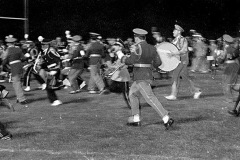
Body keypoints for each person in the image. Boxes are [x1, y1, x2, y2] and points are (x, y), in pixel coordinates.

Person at [120, 28, 174, 130]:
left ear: (137, 38)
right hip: (147, 75)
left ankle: (166, 118)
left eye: (135, 37)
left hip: (140, 76)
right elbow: (158, 63)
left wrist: (122, 57)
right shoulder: (152, 48)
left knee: (150, 98)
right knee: (133, 94)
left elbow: (130, 61)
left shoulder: (137, 48)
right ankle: (136, 118)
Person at [165, 25, 202, 100]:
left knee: (175, 76)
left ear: (178, 31)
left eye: (174, 30)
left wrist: (173, 54)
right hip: (177, 61)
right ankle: (196, 91)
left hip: (183, 60)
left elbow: (184, 50)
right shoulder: (174, 40)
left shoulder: (182, 39)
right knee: (184, 77)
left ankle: (173, 95)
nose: (173, 32)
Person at [2, 37, 28, 105]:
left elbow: (5, 61)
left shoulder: (8, 50)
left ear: (8, 43)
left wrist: (2, 64)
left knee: (16, 83)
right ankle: (18, 97)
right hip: (20, 67)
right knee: (17, 83)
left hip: (14, 67)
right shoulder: (18, 49)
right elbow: (24, 58)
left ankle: (22, 99)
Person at [41, 39, 63, 106]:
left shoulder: (50, 51)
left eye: (44, 45)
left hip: (54, 70)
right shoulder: (47, 52)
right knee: (50, 87)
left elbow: (58, 60)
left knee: (49, 87)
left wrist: (55, 70)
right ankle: (55, 100)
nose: (42, 46)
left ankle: (55, 100)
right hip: (52, 70)